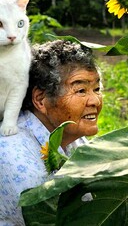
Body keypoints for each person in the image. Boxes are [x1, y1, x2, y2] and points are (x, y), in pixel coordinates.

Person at [0, 40, 103, 226]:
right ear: (41, 99)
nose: (95, 100)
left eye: (96, 89)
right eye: (81, 90)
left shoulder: (72, 138)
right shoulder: (15, 157)